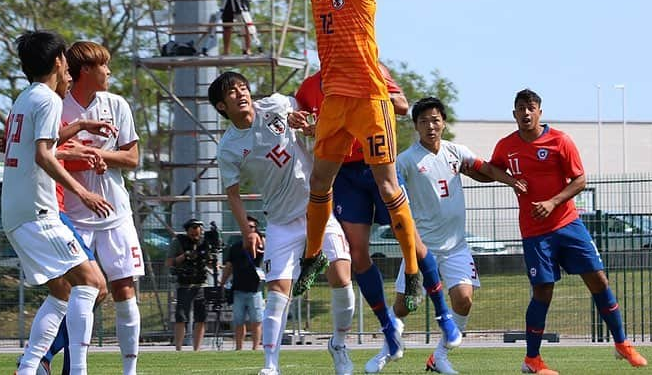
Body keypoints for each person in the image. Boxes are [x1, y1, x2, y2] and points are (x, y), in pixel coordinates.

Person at [259, 0, 423, 312]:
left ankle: (412, 270)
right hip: (334, 100)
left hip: (370, 99)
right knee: (320, 182)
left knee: (388, 186)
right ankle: (313, 258)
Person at [293, 68, 461, 372]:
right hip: (344, 173)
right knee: (358, 253)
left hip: (380, 166)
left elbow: (401, 105)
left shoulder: (371, 68)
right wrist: (304, 123)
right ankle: (387, 327)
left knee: (410, 239)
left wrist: (364, 101)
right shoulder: (307, 88)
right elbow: (302, 119)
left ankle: (443, 314)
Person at [490, 89, 647, 375]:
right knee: (542, 291)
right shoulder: (506, 146)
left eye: (531, 107)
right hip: (535, 233)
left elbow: (580, 180)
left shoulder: (560, 141)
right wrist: (510, 181)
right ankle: (532, 360)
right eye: (520, 108)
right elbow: (491, 169)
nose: (526, 113)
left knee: (598, 279)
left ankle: (622, 343)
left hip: (568, 224)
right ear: (514, 114)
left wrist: (552, 202)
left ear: (540, 111)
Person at [209, 71, 355, 375]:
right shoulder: (229, 148)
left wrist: (309, 126)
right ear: (222, 106)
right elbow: (232, 194)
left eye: (243, 88)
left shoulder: (277, 104)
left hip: (319, 208)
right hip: (280, 221)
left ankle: (339, 344)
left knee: (342, 278)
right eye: (232, 92)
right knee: (277, 290)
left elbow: (313, 125)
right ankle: (270, 366)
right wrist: (247, 230)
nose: (242, 94)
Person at [1, 30, 112, 375]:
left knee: (63, 292)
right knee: (91, 283)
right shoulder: (49, 100)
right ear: (58, 61)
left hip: (17, 212)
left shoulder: (26, 98)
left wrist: (78, 125)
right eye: (65, 59)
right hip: (39, 212)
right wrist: (84, 192)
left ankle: (29, 368)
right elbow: (44, 155)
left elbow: (40, 142)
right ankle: (77, 370)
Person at [394, 96, 525, 374]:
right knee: (403, 307)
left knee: (464, 299)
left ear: (443, 122)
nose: (430, 126)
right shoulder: (405, 161)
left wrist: (512, 181)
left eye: (435, 120)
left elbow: (485, 169)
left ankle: (439, 356)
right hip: (421, 248)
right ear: (416, 126)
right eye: (424, 121)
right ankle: (390, 343)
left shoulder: (456, 152)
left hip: (456, 246)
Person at [60, 41, 144, 375]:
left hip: (115, 213)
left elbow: (132, 158)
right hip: (72, 215)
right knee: (79, 290)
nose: (108, 72)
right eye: (103, 66)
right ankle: (74, 367)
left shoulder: (117, 105)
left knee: (125, 288)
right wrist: (78, 156)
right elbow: (50, 155)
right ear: (85, 72)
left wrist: (96, 155)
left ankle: (130, 370)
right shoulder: (58, 106)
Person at [166, 219, 216, 350]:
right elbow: (169, 262)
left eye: (198, 231)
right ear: (187, 230)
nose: (196, 235)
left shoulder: (204, 243)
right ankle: (178, 348)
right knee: (181, 316)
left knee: (201, 317)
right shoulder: (178, 242)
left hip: (201, 283)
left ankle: (197, 348)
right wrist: (185, 256)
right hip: (184, 284)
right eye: (193, 231)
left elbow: (210, 264)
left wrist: (210, 259)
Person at [220, 215, 265, 351]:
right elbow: (229, 266)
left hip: (255, 290)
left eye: (251, 227)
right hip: (238, 289)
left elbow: (264, 251)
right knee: (238, 321)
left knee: (256, 321)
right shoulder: (235, 247)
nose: (248, 229)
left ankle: (255, 348)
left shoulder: (261, 244)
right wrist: (222, 283)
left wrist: (257, 241)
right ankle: (239, 348)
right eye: (246, 227)